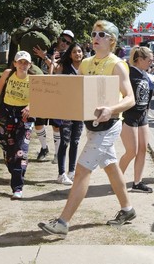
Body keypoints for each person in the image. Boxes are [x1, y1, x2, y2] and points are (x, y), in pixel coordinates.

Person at [38, 20, 136, 238]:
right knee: (111, 166)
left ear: (112, 40)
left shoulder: (117, 64)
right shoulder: (86, 63)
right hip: (91, 125)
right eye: (94, 33)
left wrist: (111, 109)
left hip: (109, 125)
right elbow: (72, 93)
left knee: (82, 170)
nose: (96, 37)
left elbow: (130, 99)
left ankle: (63, 223)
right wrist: (38, 103)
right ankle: (128, 210)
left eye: (101, 34)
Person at [0, 51, 34, 200]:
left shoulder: (34, 79)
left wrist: (30, 106)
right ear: (15, 63)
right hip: (6, 113)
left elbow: (41, 96)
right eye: (20, 62)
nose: (23, 65)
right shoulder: (7, 74)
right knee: (6, 147)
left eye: (26, 62)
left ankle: (17, 187)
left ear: (30, 64)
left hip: (24, 115)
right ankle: (16, 171)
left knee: (20, 150)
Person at [32, 30, 75, 164]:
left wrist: (45, 58)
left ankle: (57, 153)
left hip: (58, 93)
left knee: (56, 125)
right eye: (63, 40)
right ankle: (44, 148)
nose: (64, 44)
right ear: (58, 38)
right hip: (42, 91)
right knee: (38, 122)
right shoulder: (47, 49)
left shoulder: (68, 57)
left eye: (68, 42)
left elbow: (57, 70)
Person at [119, 46, 154, 193]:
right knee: (131, 151)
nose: (151, 63)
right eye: (149, 60)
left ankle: (137, 182)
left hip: (142, 116)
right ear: (140, 60)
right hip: (129, 116)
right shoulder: (129, 74)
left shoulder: (144, 74)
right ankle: (117, 178)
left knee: (142, 150)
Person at [51, 43, 86, 185]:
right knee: (64, 142)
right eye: (74, 52)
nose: (77, 54)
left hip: (80, 109)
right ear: (70, 54)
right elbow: (55, 83)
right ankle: (61, 174)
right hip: (66, 109)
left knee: (75, 142)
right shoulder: (63, 67)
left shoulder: (86, 67)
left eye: (79, 51)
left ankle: (71, 172)